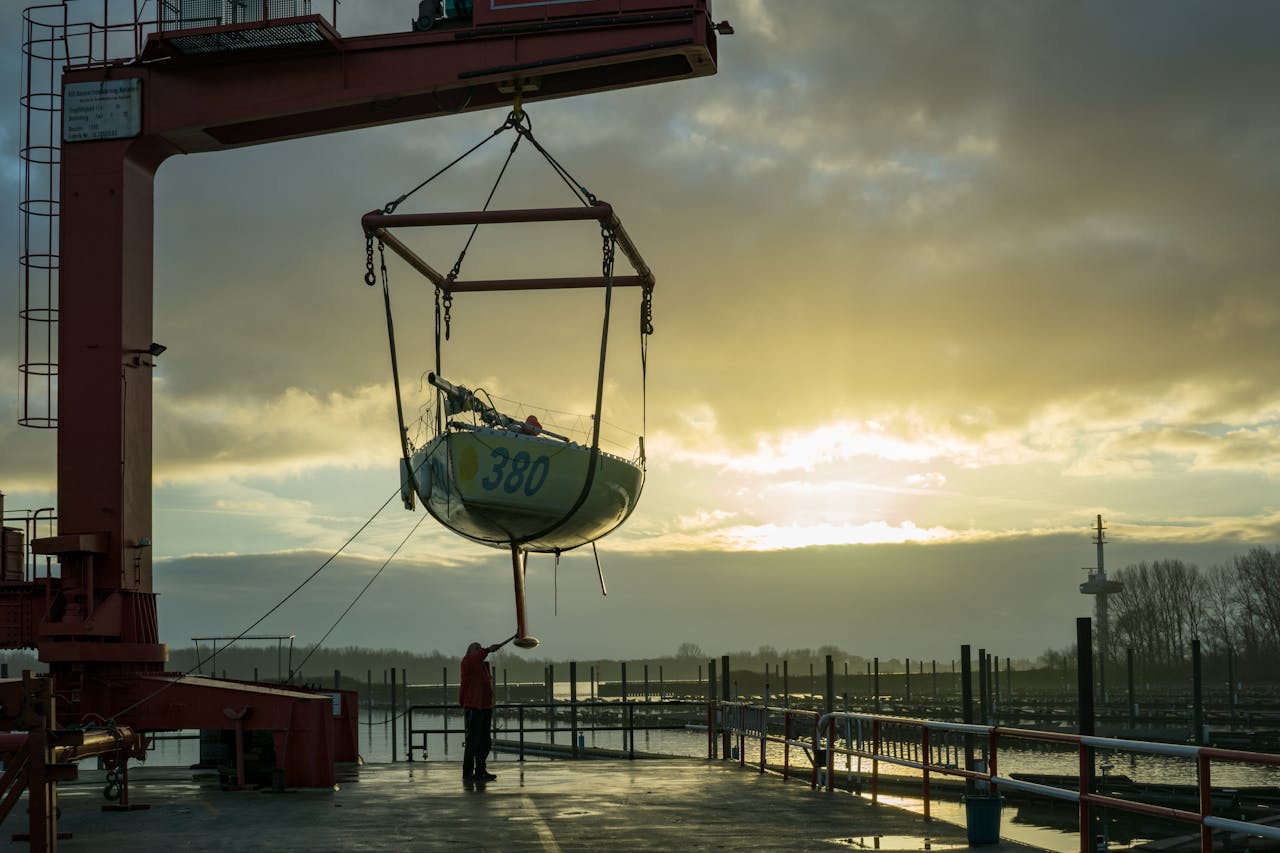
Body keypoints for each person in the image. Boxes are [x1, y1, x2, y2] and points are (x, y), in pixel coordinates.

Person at [459, 639, 501, 787]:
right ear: (470, 652)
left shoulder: (481, 666)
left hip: (484, 707)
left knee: (485, 742)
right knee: (472, 742)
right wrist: (488, 649)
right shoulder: (467, 662)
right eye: (476, 648)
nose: (479, 650)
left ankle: (480, 771)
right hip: (474, 707)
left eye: (480, 648)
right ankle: (468, 773)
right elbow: (477, 658)